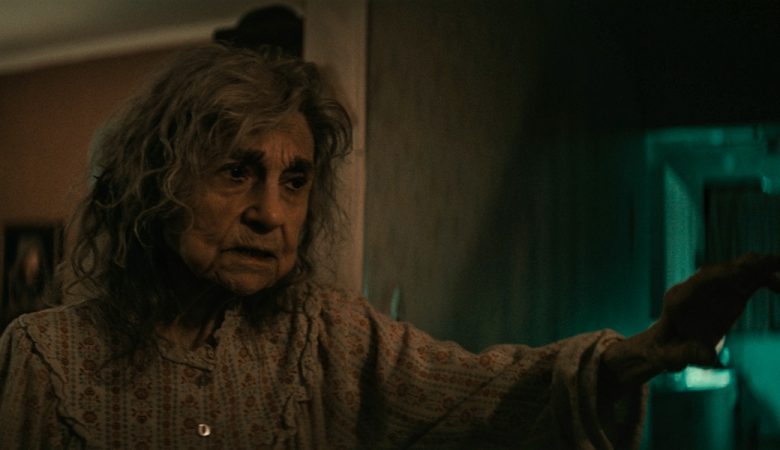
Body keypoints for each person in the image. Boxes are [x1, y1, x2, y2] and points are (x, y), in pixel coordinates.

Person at [0, 44, 778, 449]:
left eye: (296, 181)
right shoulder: (47, 358)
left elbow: (490, 391)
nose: (271, 213)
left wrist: (648, 349)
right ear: (156, 183)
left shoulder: (326, 338)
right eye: (237, 172)